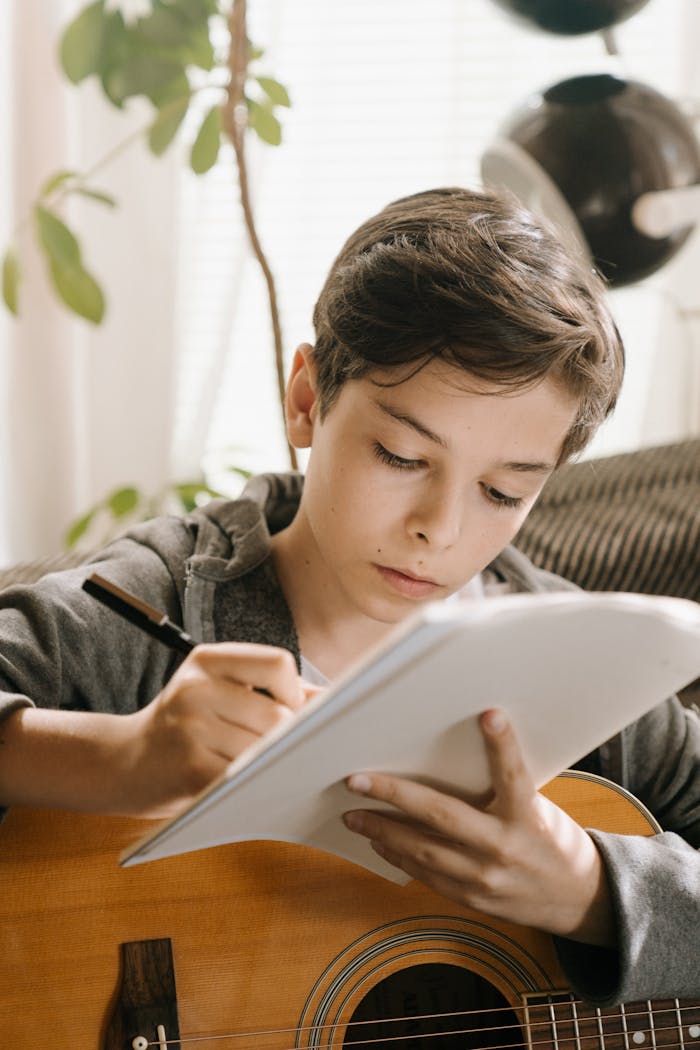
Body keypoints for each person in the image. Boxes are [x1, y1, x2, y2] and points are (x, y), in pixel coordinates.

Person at [0, 187, 697, 1009]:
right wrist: (123, 759)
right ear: (306, 401)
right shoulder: (146, 601)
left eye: (505, 493)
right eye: (402, 456)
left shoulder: (589, 665)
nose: (439, 529)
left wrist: (589, 890)